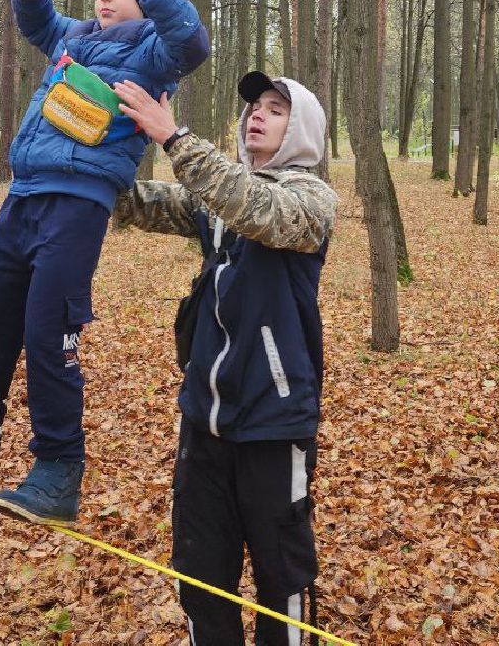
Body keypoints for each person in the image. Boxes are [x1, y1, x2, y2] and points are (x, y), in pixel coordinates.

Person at [0, 0, 210, 525]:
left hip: (79, 202)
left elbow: (192, 40)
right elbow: (44, 28)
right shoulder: (76, 39)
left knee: (49, 330)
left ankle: (58, 467)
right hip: (24, 196)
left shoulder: (155, 48)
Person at [111, 71, 336, 646]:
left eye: (275, 109)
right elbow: (137, 201)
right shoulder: (215, 199)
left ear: (302, 129)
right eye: (254, 107)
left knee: (281, 573)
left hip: (272, 420)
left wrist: (175, 137)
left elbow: (256, 208)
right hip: (203, 419)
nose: (256, 115)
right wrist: (97, 149)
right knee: (200, 572)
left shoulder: (310, 199)